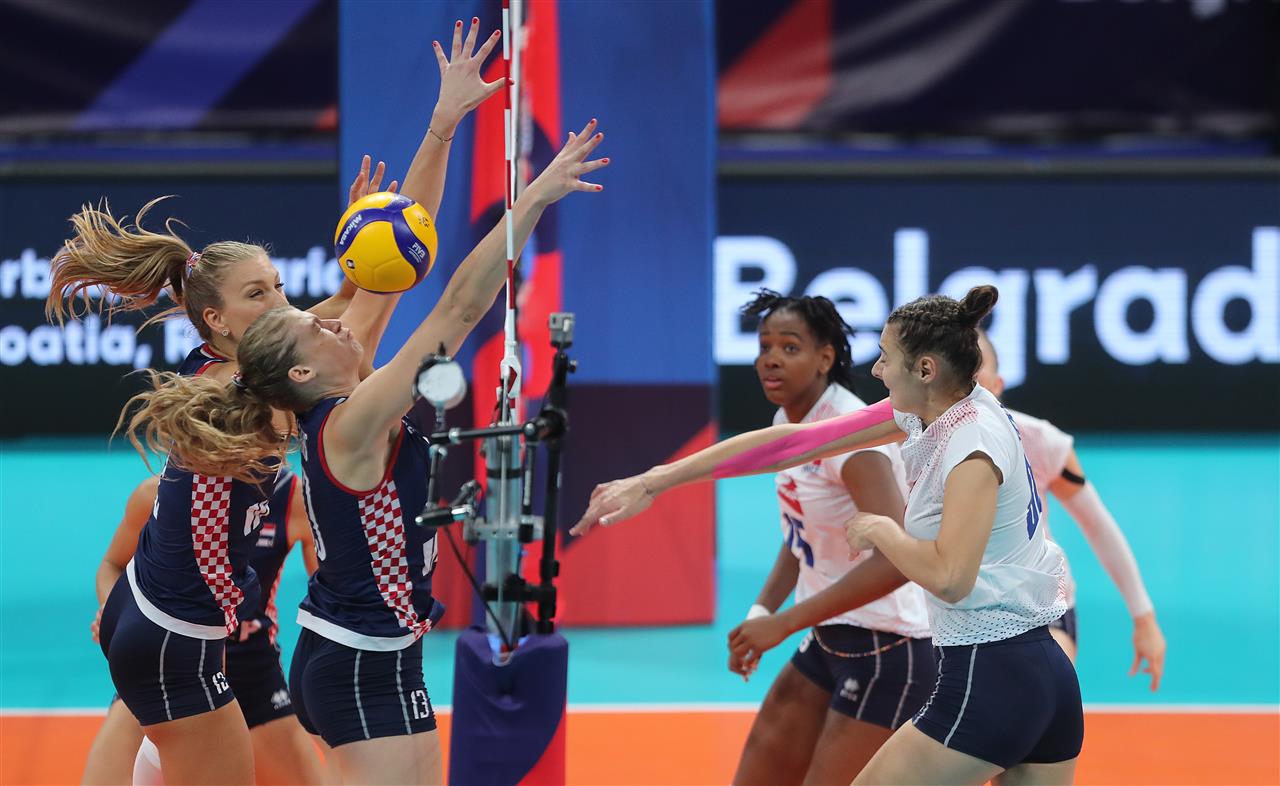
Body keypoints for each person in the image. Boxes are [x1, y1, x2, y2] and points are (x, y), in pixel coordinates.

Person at [53, 19, 505, 784]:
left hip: (168, 615)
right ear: (219, 320)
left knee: (165, 744)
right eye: (260, 294)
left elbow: (386, 277)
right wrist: (435, 142)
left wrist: (434, 141)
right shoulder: (248, 391)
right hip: (174, 628)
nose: (286, 304)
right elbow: (387, 302)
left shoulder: (250, 362)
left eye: (281, 287)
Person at [115, 121, 607, 785]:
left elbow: (386, 278)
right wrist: (534, 199)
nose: (334, 320)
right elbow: (457, 309)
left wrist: (439, 130)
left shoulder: (324, 394)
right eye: (316, 324)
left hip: (363, 644)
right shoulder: (348, 422)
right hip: (347, 654)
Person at [573, 286, 1083, 785]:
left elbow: (951, 578)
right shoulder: (947, 410)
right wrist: (655, 480)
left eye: (886, 358)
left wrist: (882, 530)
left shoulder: (972, 445)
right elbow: (792, 444)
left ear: (926, 370)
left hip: (989, 674)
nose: (876, 370)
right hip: (1039, 672)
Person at [725, 290, 933, 785]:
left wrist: (783, 624)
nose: (771, 359)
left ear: (825, 358)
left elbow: (897, 560)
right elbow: (802, 533)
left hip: (888, 647)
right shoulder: (787, 422)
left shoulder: (851, 440)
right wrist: (760, 614)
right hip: (828, 636)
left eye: (789, 347)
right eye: (764, 346)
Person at [82, 474, 327, 785]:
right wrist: (112, 609)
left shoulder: (294, 497)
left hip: (250, 666)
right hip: (170, 661)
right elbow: (112, 564)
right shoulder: (161, 490)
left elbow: (329, 593)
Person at [975, 330, 1166, 689]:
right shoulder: (912, 444)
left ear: (998, 384)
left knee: (1040, 694)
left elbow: (1097, 525)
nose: (966, 377)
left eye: (975, 366)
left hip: (1041, 605)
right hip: (952, 611)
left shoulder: (1039, 441)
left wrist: (1144, 618)